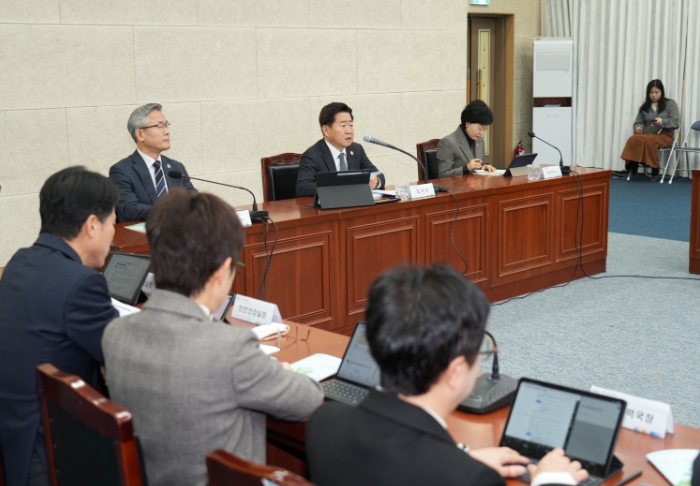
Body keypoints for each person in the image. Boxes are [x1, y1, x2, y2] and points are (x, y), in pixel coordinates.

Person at [102, 189, 324, 486]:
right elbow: (308, 400)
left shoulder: (115, 334)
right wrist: (281, 371)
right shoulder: (229, 348)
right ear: (221, 272)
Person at [306, 264, 587, 486]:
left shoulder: (325, 421)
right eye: (481, 353)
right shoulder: (470, 478)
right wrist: (552, 480)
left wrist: (460, 456)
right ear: (455, 372)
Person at [0, 167, 120, 486]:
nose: (113, 232)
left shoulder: (20, 262)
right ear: (92, 225)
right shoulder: (81, 282)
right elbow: (121, 354)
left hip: (15, 433)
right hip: (50, 449)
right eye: (112, 222)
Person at [109, 103, 196, 222]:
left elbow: (194, 200)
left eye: (166, 125)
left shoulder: (176, 167)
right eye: (160, 126)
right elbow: (129, 209)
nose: (167, 132)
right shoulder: (122, 171)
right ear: (140, 134)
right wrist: (171, 211)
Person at [296, 102, 385, 197]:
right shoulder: (313, 155)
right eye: (343, 126)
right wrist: (339, 184)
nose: (349, 131)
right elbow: (302, 188)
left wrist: (376, 181)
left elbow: (378, 175)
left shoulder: (356, 149)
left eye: (351, 125)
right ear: (326, 130)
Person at [620, 79, 679, 182]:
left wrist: (662, 121)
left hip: (664, 135)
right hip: (646, 134)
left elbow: (676, 122)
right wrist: (638, 128)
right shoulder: (645, 107)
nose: (654, 95)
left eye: (656, 92)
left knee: (650, 140)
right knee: (633, 139)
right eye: (651, 93)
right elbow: (638, 122)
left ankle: (655, 169)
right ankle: (633, 167)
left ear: (662, 92)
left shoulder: (670, 104)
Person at [437, 100, 498, 178]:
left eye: (485, 129)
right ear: (467, 123)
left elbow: (479, 165)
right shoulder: (448, 142)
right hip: (458, 185)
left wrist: (484, 167)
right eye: (480, 128)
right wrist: (465, 168)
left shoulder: (480, 141)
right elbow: (442, 175)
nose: (481, 133)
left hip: (476, 184)